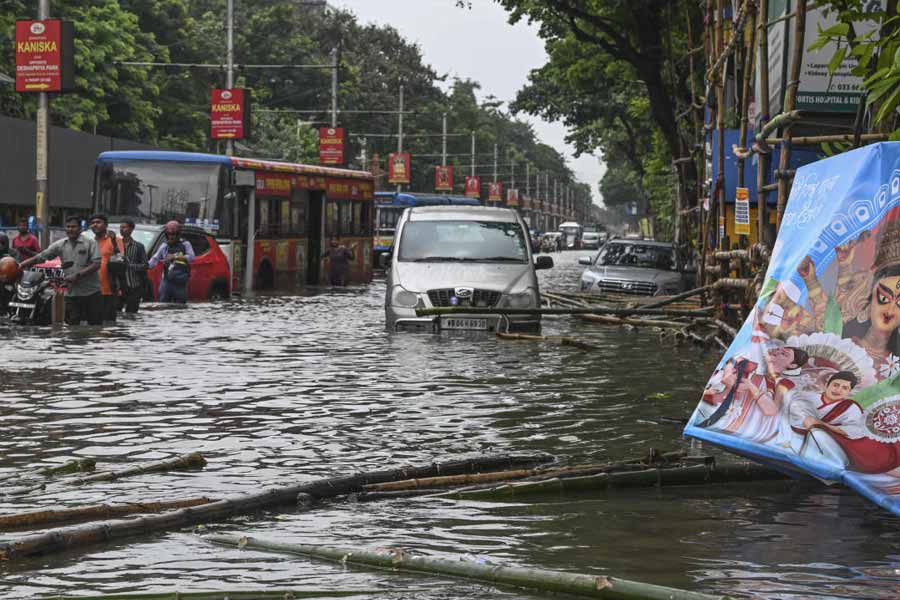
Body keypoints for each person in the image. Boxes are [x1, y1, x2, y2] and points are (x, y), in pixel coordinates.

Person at [18, 216, 102, 325]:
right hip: (72, 293)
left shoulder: (90, 243)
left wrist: (78, 275)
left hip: (91, 293)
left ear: (80, 228)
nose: (70, 229)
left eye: (73, 226)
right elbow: (41, 257)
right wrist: (20, 265)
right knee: (72, 327)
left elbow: (96, 264)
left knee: (95, 327)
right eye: (68, 227)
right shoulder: (60, 244)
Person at [89, 214, 125, 323]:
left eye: (98, 222)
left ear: (106, 225)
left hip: (108, 290)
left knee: (108, 325)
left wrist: (113, 241)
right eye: (93, 223)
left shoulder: (115, 240)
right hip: (90, 290)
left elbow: (120, 259)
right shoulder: (89, 242)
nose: (95, 225)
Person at [148, 221, 195, 303]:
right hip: (167, 281)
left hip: (180, 282)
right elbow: (154, 259)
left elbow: (191, 257)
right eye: (169, 234)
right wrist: (143, 266)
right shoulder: (164, 246)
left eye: (173, 234)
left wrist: (175, 257)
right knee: (163, 304)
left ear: (178, 234)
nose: (171, 237)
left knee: (180, 306)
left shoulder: (185, 244)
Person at [119, 219, 149, 314]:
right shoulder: (115, 245)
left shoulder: (138, 246)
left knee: (131, 314)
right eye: (120, 227)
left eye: (124, 227)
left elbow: (145, 265)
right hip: (118, 286)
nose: (121, 229)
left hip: (134, 286)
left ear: (131, 229)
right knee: (116, 314)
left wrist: (129, 266)